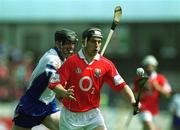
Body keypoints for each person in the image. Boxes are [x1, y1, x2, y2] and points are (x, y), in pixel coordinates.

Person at [48, 27, 140, 130]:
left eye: (99, 42)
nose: (97, 45)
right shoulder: (71, 62)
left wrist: (132, 99)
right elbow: (54, 83)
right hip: (71, 116)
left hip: (93, 114)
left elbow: (121, 85)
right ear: (84, 42)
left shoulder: (106, 64)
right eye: (93, 41)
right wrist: (64, 92)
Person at [12, 28, 78, 130]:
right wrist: (65, 93)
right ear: (57, 43)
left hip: (48, 106)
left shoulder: (63, 58)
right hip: (31, 105)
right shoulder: (52, 59)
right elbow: (53, 83)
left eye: (73, 43)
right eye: (68, 43)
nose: (71, 47)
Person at [133, 55, 172, 130]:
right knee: (151, 127)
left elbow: (168, 95)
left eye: (151, 66)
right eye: (147, 66)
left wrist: (157, 87)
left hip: (155, 111)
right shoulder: (139, 79)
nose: (149, 68)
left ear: (155, 66)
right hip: (143, 109)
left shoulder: (161, 78)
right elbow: (134, 95)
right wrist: (142, 90)